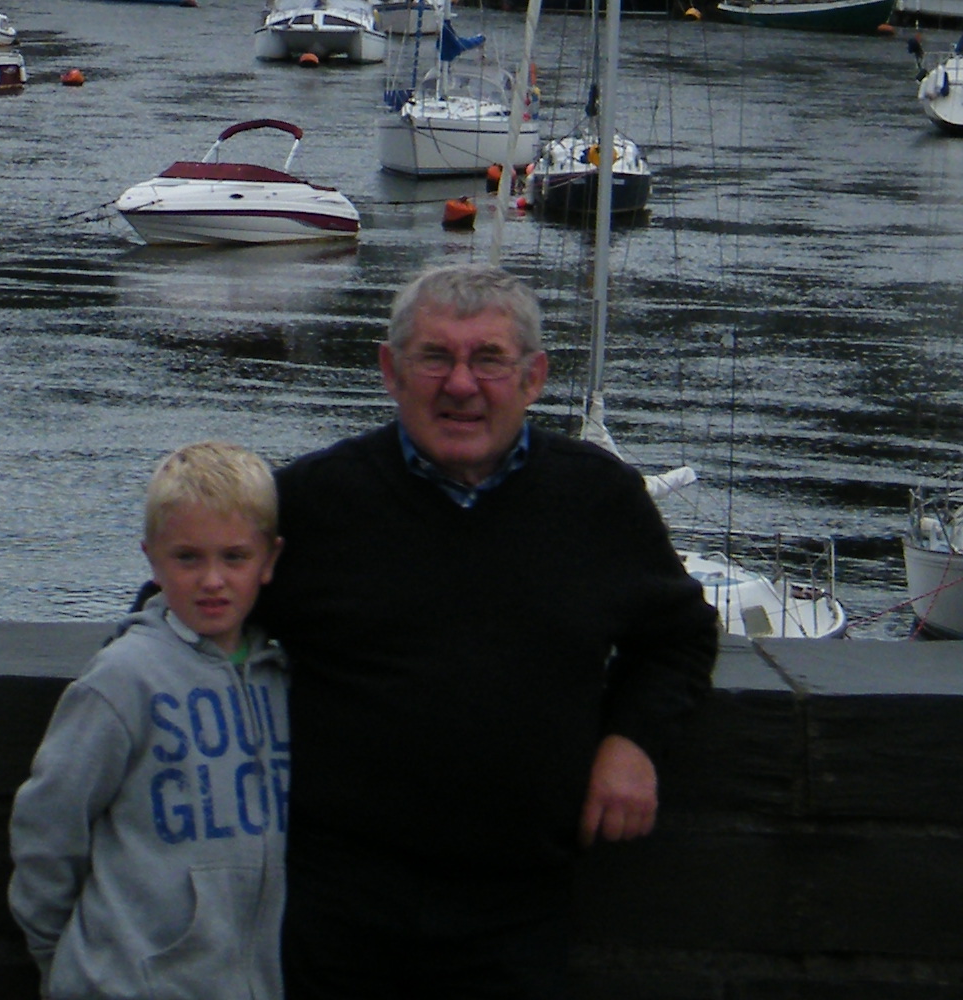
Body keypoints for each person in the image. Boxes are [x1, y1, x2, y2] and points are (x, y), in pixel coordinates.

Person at [252, 262, 718, 999]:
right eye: (435, 357)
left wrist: (633, 741)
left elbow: (678, 637)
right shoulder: (311, 501)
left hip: (519, 908)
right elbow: (190, 617)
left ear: (533, 378)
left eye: (489, 359)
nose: (461, 384)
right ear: (390, 371)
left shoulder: (596, 499)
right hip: (335, 907)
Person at [10, 440, 295, 1000]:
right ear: (152, 560)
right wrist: (60, 960)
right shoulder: (123, 678)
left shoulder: (284, 678)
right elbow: (49, 828)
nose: (212, 579)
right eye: (188, 558)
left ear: (269, 560)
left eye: (234, 557)